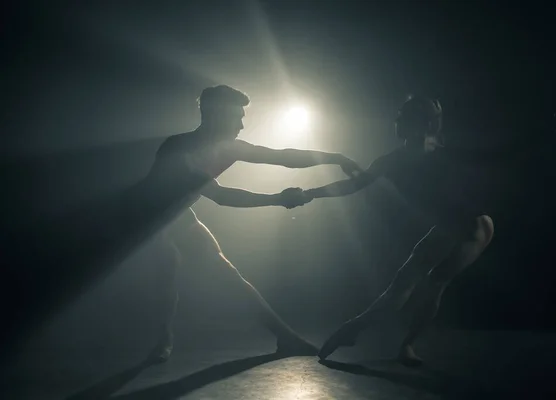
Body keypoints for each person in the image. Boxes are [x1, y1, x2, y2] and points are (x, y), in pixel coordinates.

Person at [146, 85, 362, 362]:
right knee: (167, 273)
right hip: (145, 219)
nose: (242, 124)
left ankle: (284, 338)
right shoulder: (178, 148)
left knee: (226, 273)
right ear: (214, 115)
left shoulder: (231, 147)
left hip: (178, 215)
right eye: (237, 117)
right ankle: (162, 341)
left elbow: (283, 156)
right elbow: (221, 196)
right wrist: (278, 199)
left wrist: (335, 158)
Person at [303, 95, 495, 366]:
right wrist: (310, 193)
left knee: (432, 282)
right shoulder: (392, 160)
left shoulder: (438, 151)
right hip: (448, 227)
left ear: (422, 124)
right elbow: (354, 186)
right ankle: (361, 331)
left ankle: (396, 343)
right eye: (399, 115)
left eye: (403, 117)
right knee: (405, 284)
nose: (396, 121)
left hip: (473, 228)